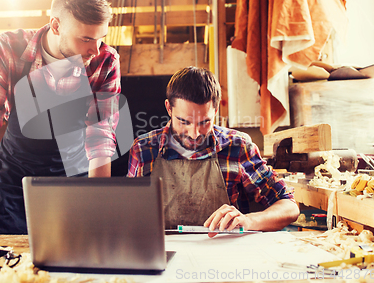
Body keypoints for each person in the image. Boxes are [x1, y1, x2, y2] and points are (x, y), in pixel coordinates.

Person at [0, 0, 120, 242]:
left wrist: (96, 205)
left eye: (101, 39)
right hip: (12, 191)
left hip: (73, 190)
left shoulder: (105, 61)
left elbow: (100, 136)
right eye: (86, 39)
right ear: (56, 25)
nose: (95, 50)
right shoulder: (9, 49)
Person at [127, 67, 299, 235]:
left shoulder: (237, 147)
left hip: (223, 255)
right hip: (162, 255)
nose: (194, 134)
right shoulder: (144, 149)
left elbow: (289, 206)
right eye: (184, 122)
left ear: (215, 111)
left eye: (204, 122)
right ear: (169, 109)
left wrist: (249, 221)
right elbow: (127, 215)